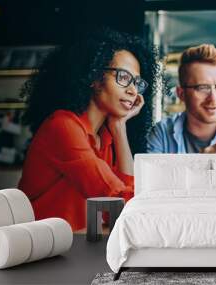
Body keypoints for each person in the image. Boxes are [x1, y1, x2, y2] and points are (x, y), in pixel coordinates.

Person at [18, 28, 160, 231]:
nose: (133, 90)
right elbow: (119, 200)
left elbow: (124, 198)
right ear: (94, 77)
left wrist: (119, 127)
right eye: (123, 77)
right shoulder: (63, 126)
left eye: (137, 82)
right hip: (41, 249)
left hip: (77, 246)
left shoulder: (105, 135)